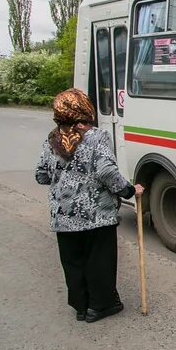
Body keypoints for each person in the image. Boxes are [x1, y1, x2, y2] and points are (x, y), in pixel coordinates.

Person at [35, 89, 144, 323]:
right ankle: (101, 306)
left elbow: (41, 176)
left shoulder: (51, 139)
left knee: (73, 263)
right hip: (96, 215)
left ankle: (81, 307)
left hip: (63, 216)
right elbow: (106, 171)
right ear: (84, 109)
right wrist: (128, 190)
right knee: (99, 260)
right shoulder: (96, 136)